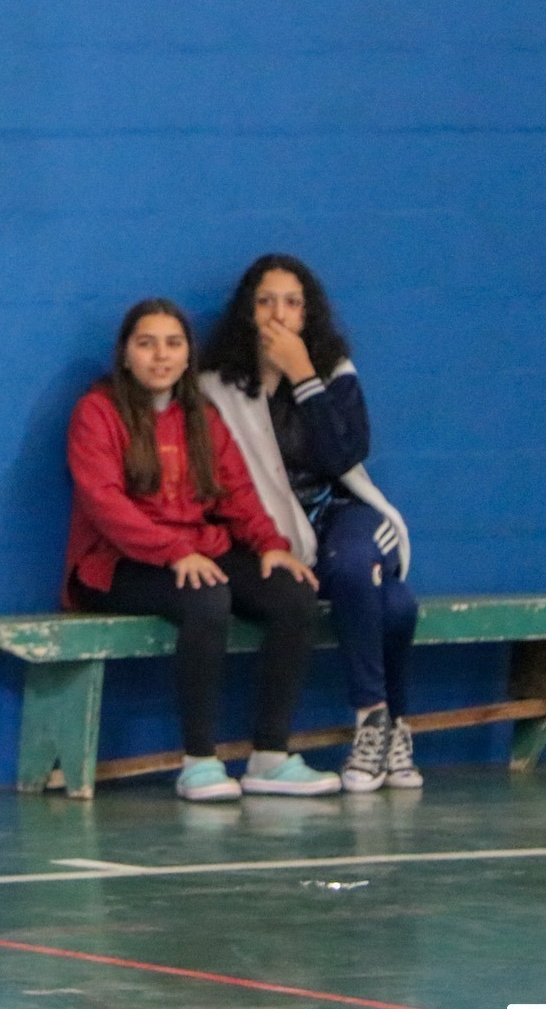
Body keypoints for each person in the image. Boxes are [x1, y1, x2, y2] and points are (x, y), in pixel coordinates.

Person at [64, 299, 341, 801]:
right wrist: (173, 552)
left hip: (196, 551)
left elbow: (237, 493)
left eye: (173, 344)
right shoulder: (97, 412)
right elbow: (105, 505)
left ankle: (270, 757)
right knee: (207, 598)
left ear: (188, 354)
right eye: (146, 344)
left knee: (293, 595)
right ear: (125, 354)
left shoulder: (203, 416)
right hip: (116, 564)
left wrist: (271, 545)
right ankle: (199, 763)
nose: (160, 356)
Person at [200, 254, 422, 793]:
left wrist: (303, 376)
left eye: (292, 303)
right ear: (247, 312)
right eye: (265, 302)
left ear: (308, 314)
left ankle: (369, 719)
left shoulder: (332, 368)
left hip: (341, 514)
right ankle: (395, 727)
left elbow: (344, 454)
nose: (279, 314)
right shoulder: (219, 385)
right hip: (272, 531)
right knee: (396, 603)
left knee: (352, 565)